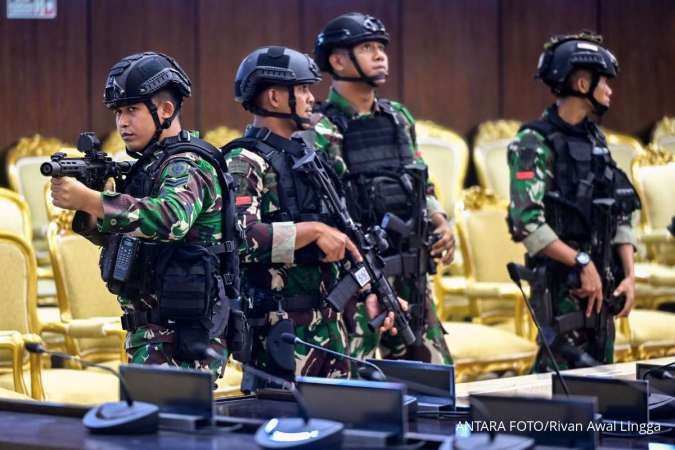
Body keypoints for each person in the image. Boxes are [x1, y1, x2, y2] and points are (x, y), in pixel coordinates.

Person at [50, 52, 240, 377]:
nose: (122, 122)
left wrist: (94, 200)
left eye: (132, 110)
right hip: (153, 331)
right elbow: (126, 237)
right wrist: (89, 210)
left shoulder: (188, 165)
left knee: (171, 424)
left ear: (165, 110)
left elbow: (169, 220)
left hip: (182, 333)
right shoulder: (150, 166)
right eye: (118, 112)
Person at [223, 46, 402, 389]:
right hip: (281, 331)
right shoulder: (244, 161)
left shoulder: (311, 158)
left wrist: (369, 291)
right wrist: (312, 231)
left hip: (332, 326)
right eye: (302, 89)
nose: (310, 98)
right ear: (274, 97)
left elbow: (346, 233)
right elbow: (241, 239)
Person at [311, 12, 453, 364]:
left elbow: (419, 179)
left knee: (435, 378)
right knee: (360, 384)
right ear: (338, 59)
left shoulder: (398, 116)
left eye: (381, 48)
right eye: (367, 47)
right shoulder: (321, 125)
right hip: (360, 277)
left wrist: (440, 220)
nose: (380, 55)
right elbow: (327, 207)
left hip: (411, 267)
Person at [507, 32, 641, 372]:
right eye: (604, 82)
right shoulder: (533, 142)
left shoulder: (597, 141)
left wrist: (629, 275)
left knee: (602, 379)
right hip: (561, 283)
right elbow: (527, 222)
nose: (610, 90)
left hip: (603, 281)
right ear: (582, 83)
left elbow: (620, 210)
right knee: (559, 379)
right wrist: (581, 262)